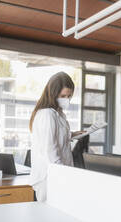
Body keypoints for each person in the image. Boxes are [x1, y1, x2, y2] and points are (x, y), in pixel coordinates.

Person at [29, 72, 83, 202]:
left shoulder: (57, 113)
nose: (66, 99)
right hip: (50, 177)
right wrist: (63, 175)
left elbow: (54, 136)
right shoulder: (48, 114)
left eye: (69, 96)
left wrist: (72, 134)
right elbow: (50, 150)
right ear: (53, 93)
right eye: (63, 95)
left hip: (57, 174)